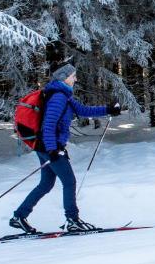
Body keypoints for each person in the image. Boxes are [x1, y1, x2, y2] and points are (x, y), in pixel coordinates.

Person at [10, 64, 121, 233]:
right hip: (49, 147)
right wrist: (52, 150)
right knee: (69, 181)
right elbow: (48, 125)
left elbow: (83, 110)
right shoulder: (58, 97)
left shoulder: (63, 95)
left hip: (46, 146)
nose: (75, 79)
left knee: (46, 184)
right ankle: (72, 219)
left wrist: (108, 109)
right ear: (64, 78)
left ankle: (19, 217)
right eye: (73, 76)